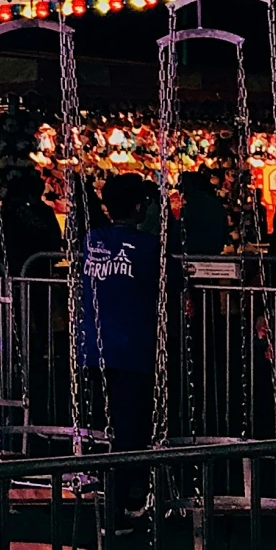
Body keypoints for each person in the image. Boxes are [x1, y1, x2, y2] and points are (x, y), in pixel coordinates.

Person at [79, 174, 161, 511]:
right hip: (131, 348)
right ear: (141, 206)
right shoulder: (148, 246)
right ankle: (119, 505)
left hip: (95, 347)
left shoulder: (92, 239)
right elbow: (171, 281)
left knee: (107, 424)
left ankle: (110, 496)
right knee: (130, 428)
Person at [176, 171, 230, 257]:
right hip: (213, 252)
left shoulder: (190, 208)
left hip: (192, 253)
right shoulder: (216, 205)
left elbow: (178, 233)